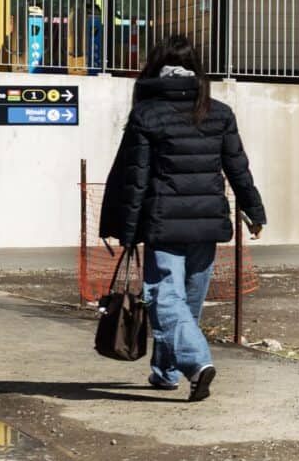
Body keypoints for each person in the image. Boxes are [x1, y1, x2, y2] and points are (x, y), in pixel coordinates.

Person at [99, 34, 265, 401]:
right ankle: (165, 372)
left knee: (164, 298)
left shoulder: (147, 113)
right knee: (186, 303)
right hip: (207, 224)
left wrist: (122, 229)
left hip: (163, 223)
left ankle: (196, 362)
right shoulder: (217, 112)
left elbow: (133, 176)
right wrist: (253, 210)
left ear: (156, 68)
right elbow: (238, 167)